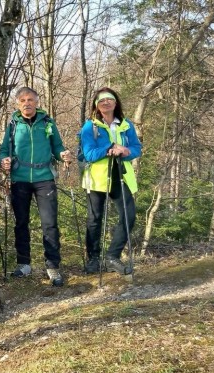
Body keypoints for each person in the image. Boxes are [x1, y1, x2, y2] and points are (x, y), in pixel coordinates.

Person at [0, 87, 73, 286]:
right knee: (21, 223)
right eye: (22, 100)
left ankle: (53, 266)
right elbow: (5, 149)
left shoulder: (47, 122)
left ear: (37, 102)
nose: (27, 103)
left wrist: (63, 154)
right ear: (17, 103)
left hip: (44, 178)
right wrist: (4, 160)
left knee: (49, 223)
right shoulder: (13, 124)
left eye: (30, 99)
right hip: (20, 179)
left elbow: (57, 146)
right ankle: (24, 264)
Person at [79, 87, 142, 275]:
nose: (106, 102)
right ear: (96, 105)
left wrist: (126, 151)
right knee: (94, 220)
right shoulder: (90, 126)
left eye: (109, 99)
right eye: (101, 100)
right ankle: (94, 259)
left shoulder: (126, 125)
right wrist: (110, 148)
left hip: (120, 175)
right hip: (96, 178)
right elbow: (89, 154)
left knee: (129, 216)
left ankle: (112, 255)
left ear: (115, 103)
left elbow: (137, 148)